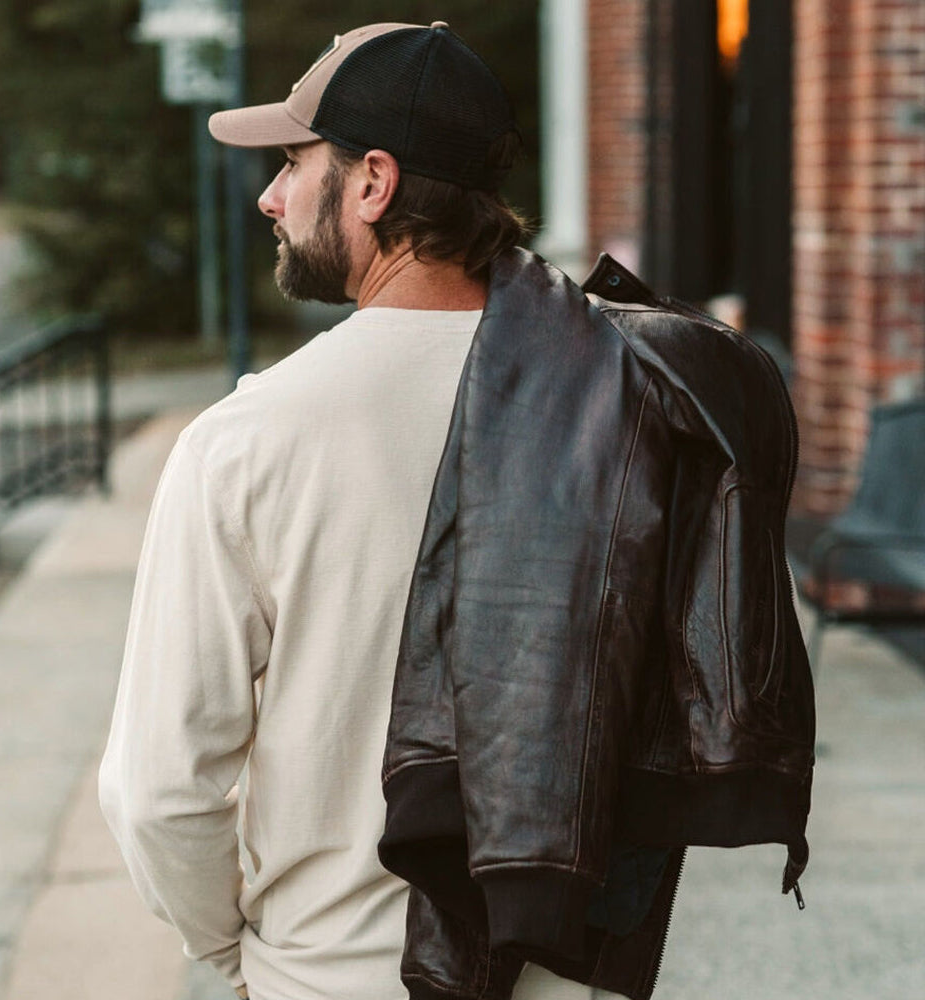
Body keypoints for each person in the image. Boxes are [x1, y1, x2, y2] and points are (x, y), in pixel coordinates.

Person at [99, 20, 614, 1000]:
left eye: (294, 163)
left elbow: (159, 790)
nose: (271, 196)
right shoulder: (611, 396)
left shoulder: (247, 440)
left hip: (332, 976)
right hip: (554, 971)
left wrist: (224, 955)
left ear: (372, 183)